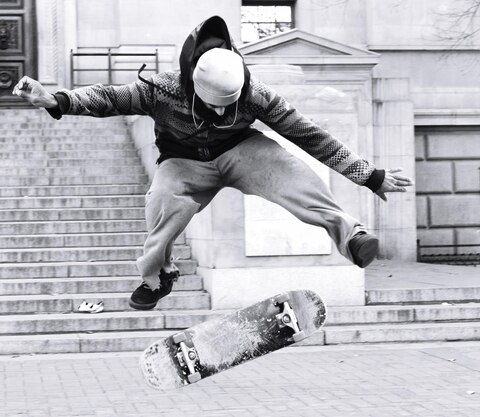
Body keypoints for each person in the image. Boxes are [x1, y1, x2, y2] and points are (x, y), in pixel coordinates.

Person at [12, 16, 414, 311]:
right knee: (160, 203)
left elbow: (309, 135)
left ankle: (351, 236)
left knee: (294, 176)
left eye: (229, 105)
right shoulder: (160, 90)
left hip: (242, 152)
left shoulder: (257, 94)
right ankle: (158, 277)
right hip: (183, 163)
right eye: (213, 106)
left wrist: (369, 175)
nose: (222, 112)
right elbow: (109, 96)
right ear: (192, 86)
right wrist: (57, 100)